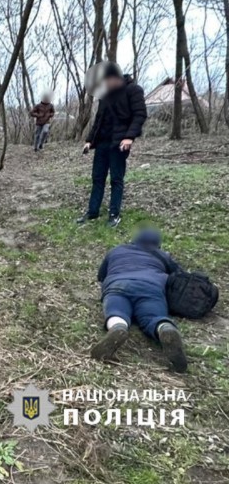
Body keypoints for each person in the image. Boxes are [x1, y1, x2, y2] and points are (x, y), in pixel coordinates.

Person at [90, 229, 187, 373]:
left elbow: (101, 275)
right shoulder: (162, 256)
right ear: (158, 244)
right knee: (153, 316)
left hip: (118, 284)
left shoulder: (117, 250)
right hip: (151, 288)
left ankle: (118, 327)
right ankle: (164, 328)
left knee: (116, 311)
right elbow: (179, 277)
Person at [78, 62, 147, 228]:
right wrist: (89, 140)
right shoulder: (105, 95)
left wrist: (130, 137)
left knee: (116, 179)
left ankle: (114, 214)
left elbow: (140, 115)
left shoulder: (133, 90)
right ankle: (92, 212)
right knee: (97, 178)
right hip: (102, 142)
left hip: (119, 143)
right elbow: (99, 120)